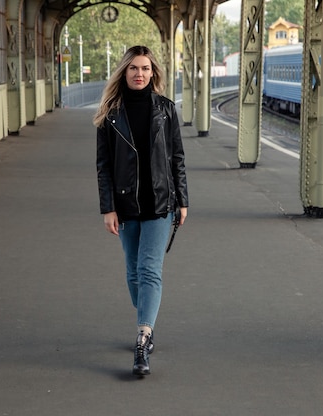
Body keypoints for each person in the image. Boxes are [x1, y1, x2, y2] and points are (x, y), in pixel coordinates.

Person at [94, 46, 189, 376]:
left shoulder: (165, 109)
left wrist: (183, 200)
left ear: (153, 73)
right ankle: (145, 317)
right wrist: (108, 208)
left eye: (145, 68)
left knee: (150, 268)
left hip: (160, 203)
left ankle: (143, 336)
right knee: (134, 272)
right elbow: (103, 166)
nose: (140, 74)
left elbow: (177, 157)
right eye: (133, 68)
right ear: (124, 72)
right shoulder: (110, 113)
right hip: (126, 205)